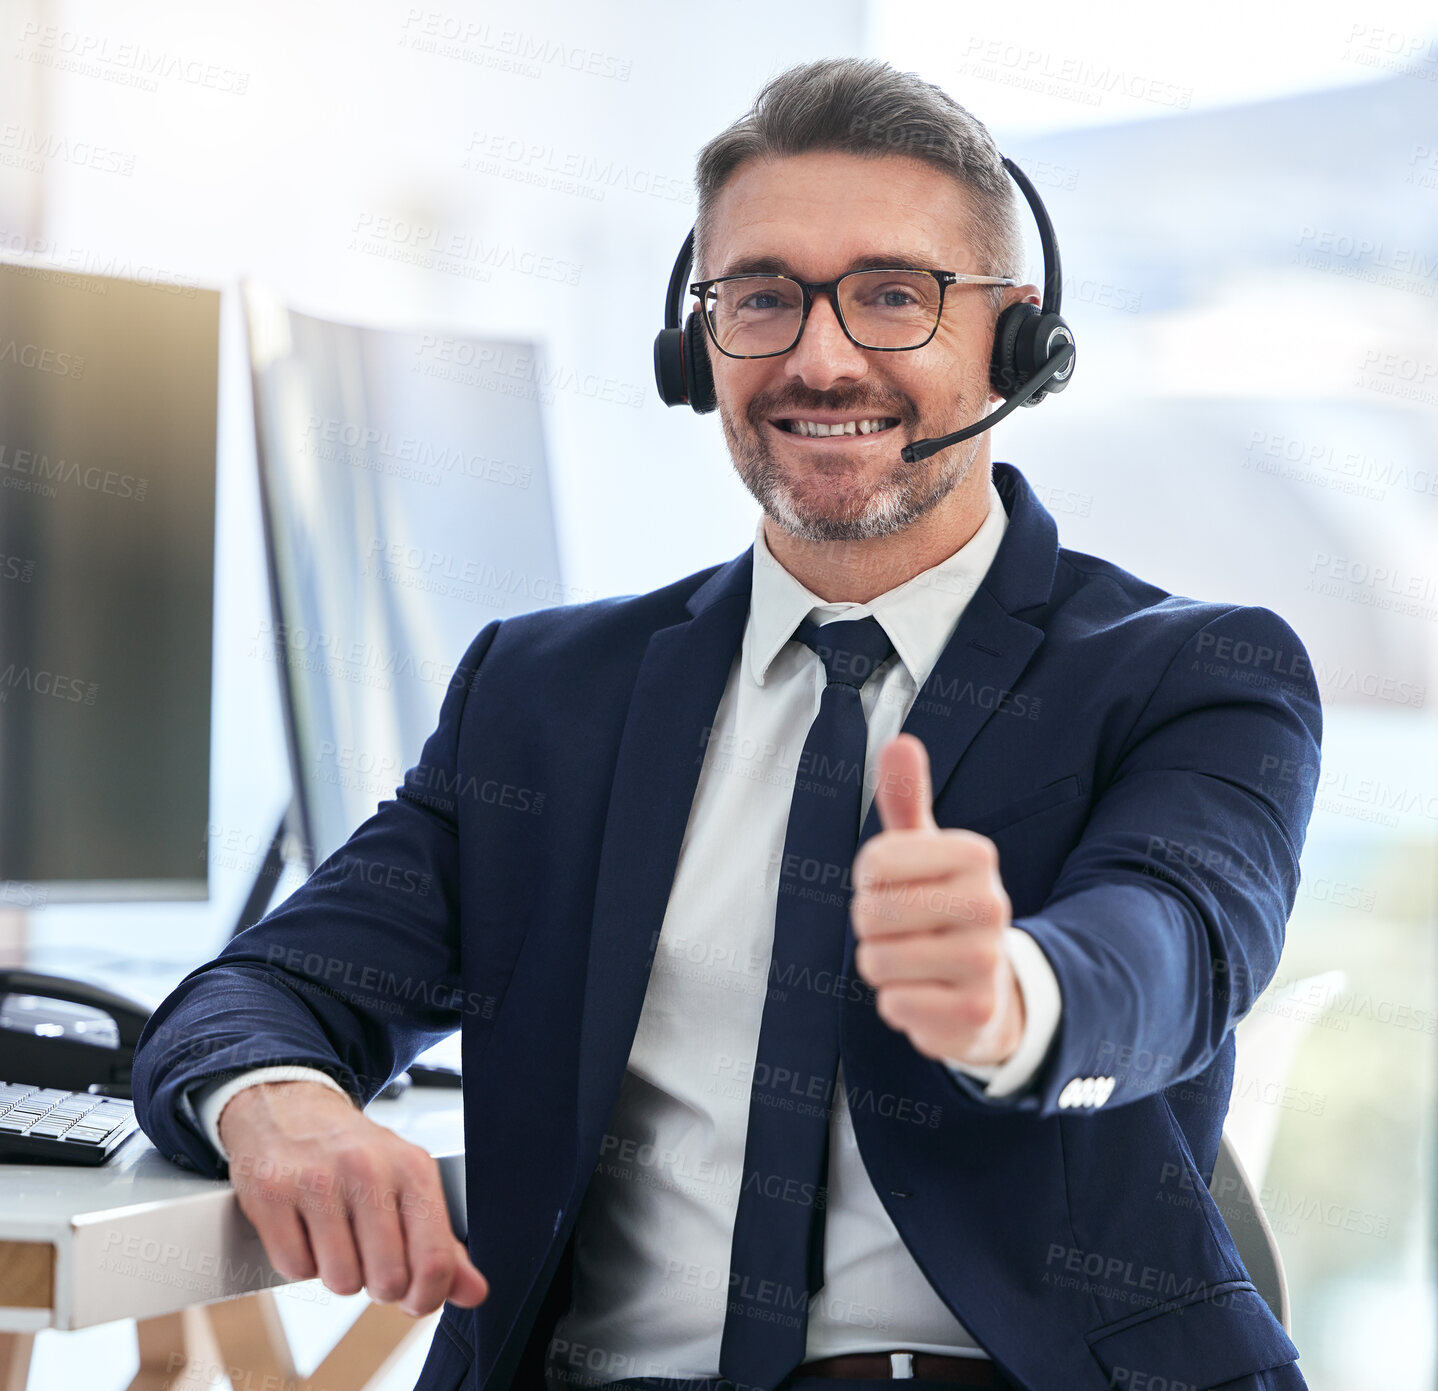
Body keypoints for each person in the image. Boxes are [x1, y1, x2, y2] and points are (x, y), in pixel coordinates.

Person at [133, 57, 1322, 1391]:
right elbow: (265, 986)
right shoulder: (543, 696)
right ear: (696, 343)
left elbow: (1172, 946)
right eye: (762, 298)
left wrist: (1012, 995)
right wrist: (278, 1101)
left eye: (891, 295)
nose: (819, 359)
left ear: (1011, 338)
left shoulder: (1192, 672)